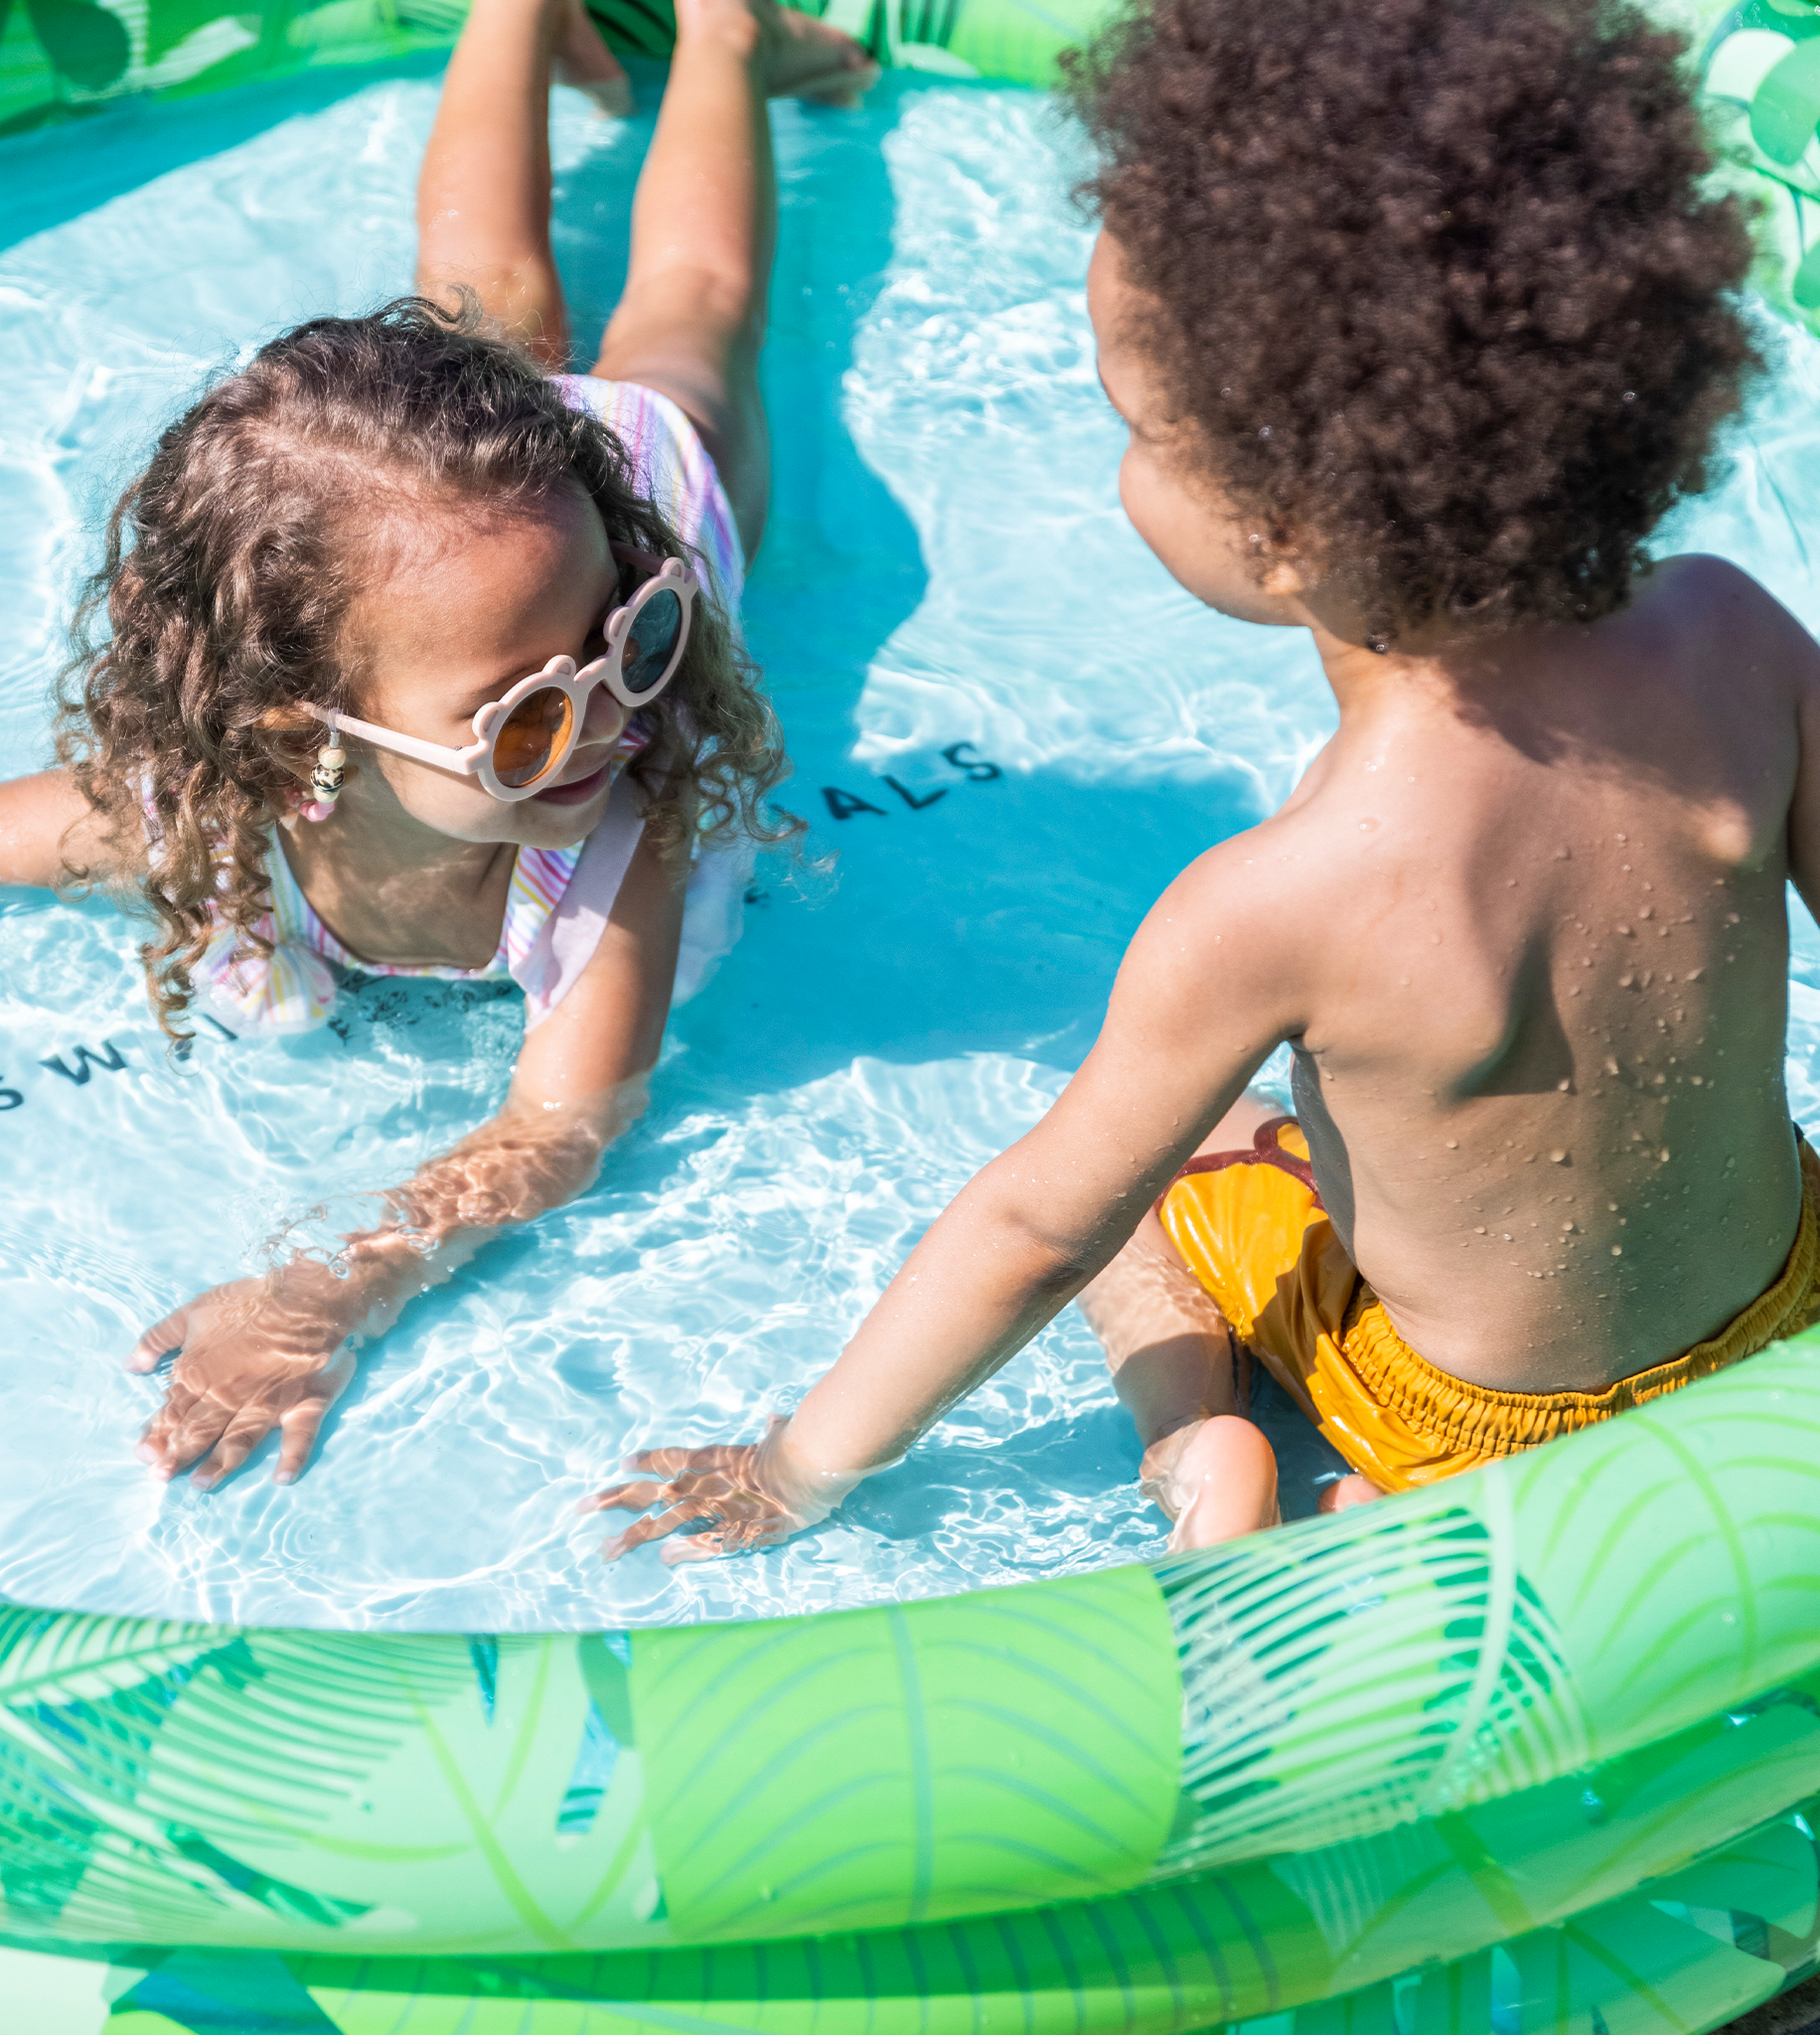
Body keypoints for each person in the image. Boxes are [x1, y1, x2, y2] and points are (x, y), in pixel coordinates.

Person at [588, 0, 1820, 1563]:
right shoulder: (1731, 630)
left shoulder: (1278, 900)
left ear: (1283, 532)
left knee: (1155, 1176)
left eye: (1137, 425)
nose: (1120, 462)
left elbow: (1033, 1235)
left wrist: (793, 1470)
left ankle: (1203, 1454)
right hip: (1786, 1308)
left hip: (1468, 1425)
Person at [0, 0, 875, 1489]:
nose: (614, 718)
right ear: (299, 734)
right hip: (495, 539)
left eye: (630, 645)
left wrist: (331, 1289)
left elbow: (563, 1126)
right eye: (529, 713)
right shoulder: (198, 815)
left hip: (615, 496)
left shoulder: (622, 822)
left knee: (679, 313)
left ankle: (724, 37)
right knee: (486, 295)